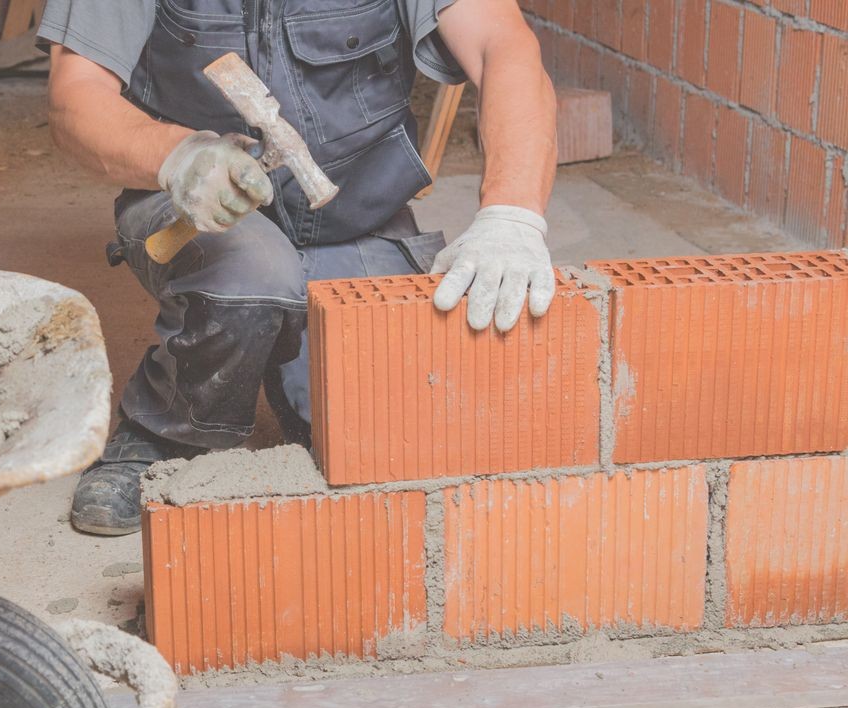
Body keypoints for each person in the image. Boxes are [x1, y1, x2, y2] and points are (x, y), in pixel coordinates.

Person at [41, 0, 557, 535]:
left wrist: (512, 212)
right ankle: (171, 424)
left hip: (354, 214)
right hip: (194, 202)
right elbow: (75, 95)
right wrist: (178, 156)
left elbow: (504, 44)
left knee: (390, 437)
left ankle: (293, 369)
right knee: (249, 280)